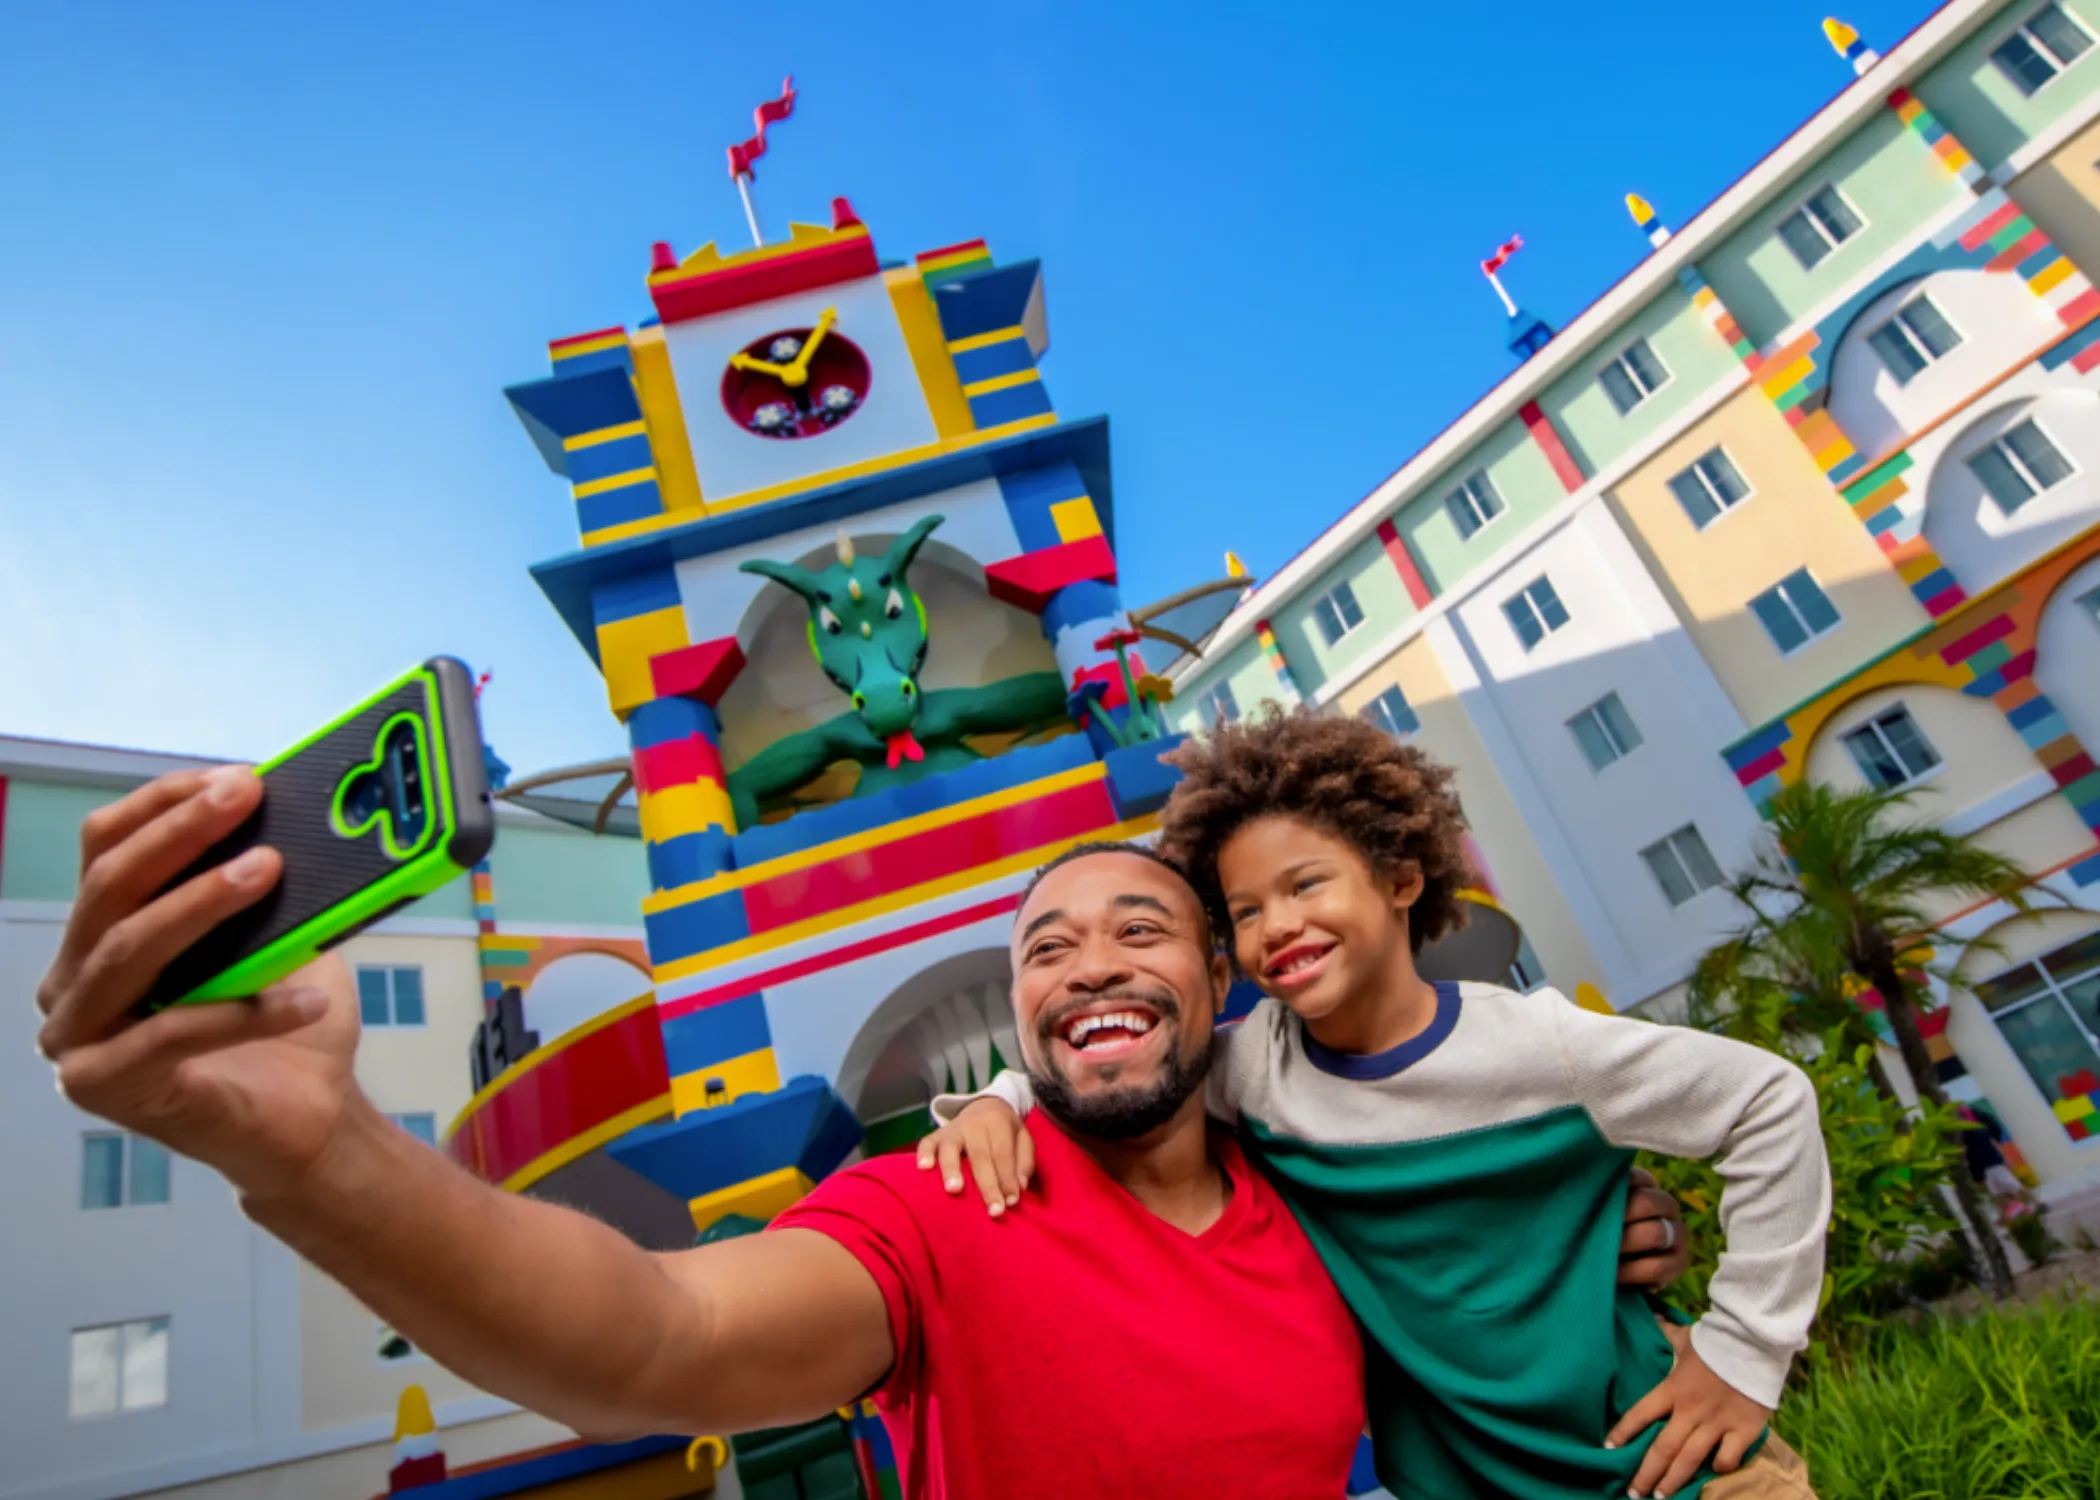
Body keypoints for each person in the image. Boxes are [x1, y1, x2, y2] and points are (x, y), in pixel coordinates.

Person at [33, 762, 1689, 1499]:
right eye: (1044, 947)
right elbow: (655, 1334)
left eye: (1137, 931)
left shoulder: (1323, 1181)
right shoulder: (945, 1204)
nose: (1086, 964)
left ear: (1221, 977)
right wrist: (317, 1153)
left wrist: (1595, 1238)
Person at [923, 709, 1831, 1500]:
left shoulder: (1542, 1048)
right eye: (1243, 911)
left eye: (1306, 884)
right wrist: (997, 1102)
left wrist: (1743, 1355)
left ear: (1401, 880)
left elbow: (1770, 1104)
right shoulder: (1252, 1074)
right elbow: (1114, 1061)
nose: (1276, 926)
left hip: (1682, 1469)